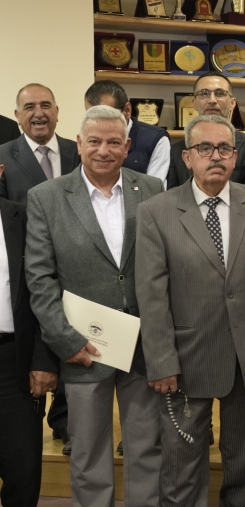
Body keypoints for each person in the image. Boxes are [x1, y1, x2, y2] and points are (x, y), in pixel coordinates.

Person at [25, 105, 164, 507]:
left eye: (114, 142)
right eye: (95, 141)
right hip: (83, 347)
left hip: (143, 345)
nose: (104, 150)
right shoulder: (46, 198)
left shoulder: (152, 188)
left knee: (147, 448)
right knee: (87, 453)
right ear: (79, 143)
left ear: (127, 147)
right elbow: (40, 277)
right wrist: (64, 339)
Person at [135, 114, 245, 506]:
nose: (216, 156)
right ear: (187, 157)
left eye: (225, 148)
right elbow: (152, 294)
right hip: (186, 359)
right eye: (205, 148)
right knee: (181, 465)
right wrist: (161, 360)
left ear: (235, 156)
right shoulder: (156, 211)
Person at [0, 164, 57, 507]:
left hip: (14, 364)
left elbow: (45, 290)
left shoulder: (24, 219)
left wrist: (43, 358)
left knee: (22, 472)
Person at [0, 83, 80, 203]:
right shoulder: (2, 156)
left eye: (45, 105)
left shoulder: (79, 152)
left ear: (56, 112)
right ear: (18, 115)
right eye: (29, 107)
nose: (39, 113)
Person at [168, 72, 245, 188]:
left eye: (220, 93)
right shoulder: (175, 151)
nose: (212, 100)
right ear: (194, 103)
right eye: (204, 93)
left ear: (232, 103)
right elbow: (172, 195)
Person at [84, 80, 170, 183]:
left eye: (108, 115)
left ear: (127, 110)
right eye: (92, 117)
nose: (99, 123)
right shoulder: (86, 138)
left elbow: (153, 189)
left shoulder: (156, 139)